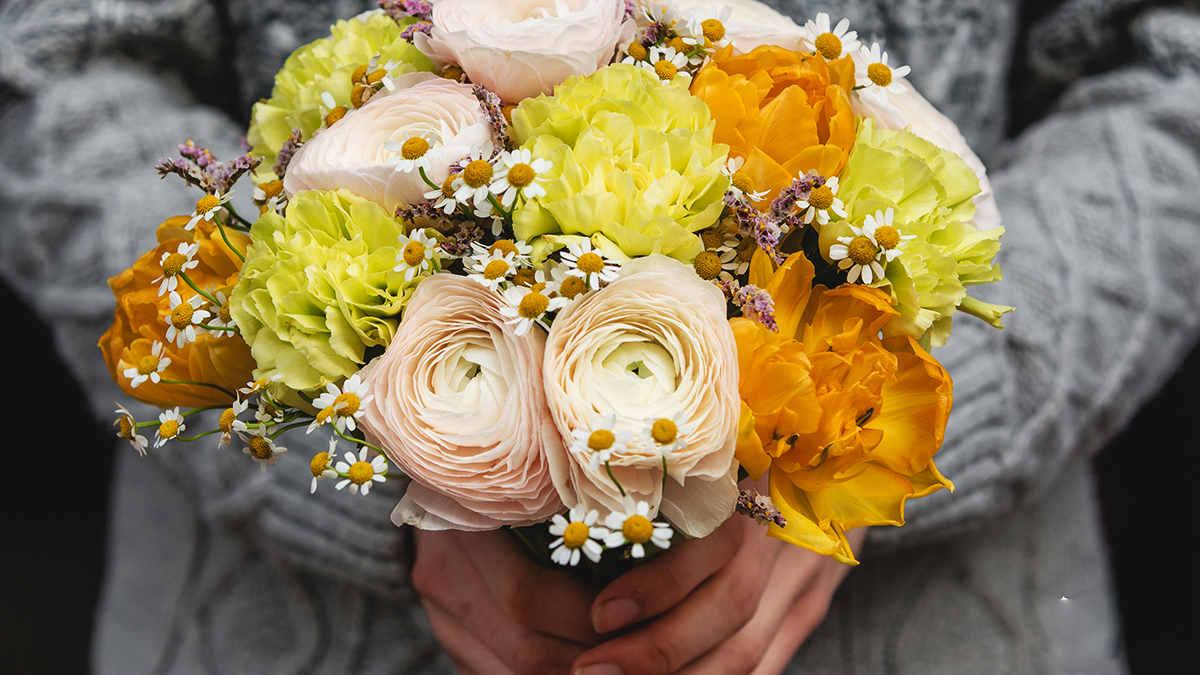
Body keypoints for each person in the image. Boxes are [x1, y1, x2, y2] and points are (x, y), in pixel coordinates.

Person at [1, 0, 1198, 673]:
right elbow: (50, 67)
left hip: (944, 625)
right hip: (282, 624)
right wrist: (425, 450)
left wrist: (840, 428)